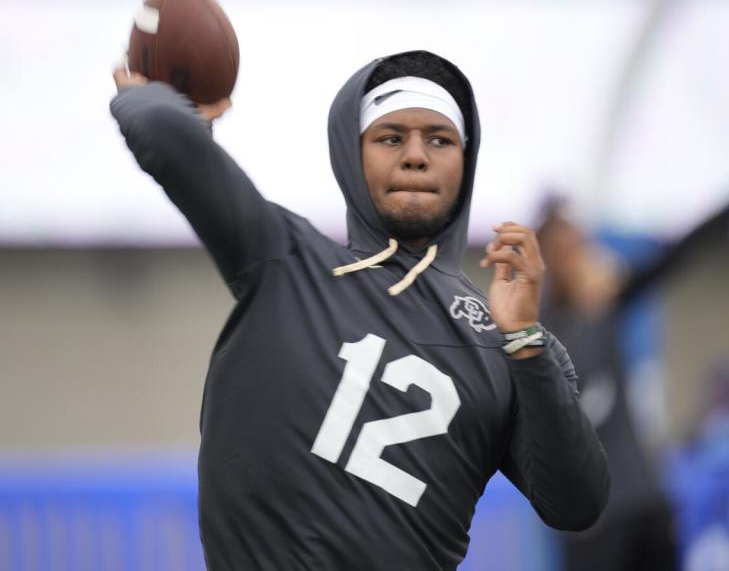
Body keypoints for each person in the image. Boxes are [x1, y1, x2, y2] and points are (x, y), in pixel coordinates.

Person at [109, 50, 609, 570]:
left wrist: (526, 340)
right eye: (390, 137)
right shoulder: (287, 259)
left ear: (466, 158)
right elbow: (162, 132)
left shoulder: (510, 340)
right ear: (353, 153)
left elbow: (578, 504)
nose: (415, 155)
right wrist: (160, 99)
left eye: (439, 140)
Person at [536, 194, 729, 571]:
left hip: (643, 501)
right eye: (566, 249)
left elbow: (669, 259)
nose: (581, 257)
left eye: (581, 245)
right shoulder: (539, 333)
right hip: (591, 521)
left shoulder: (607, 302)